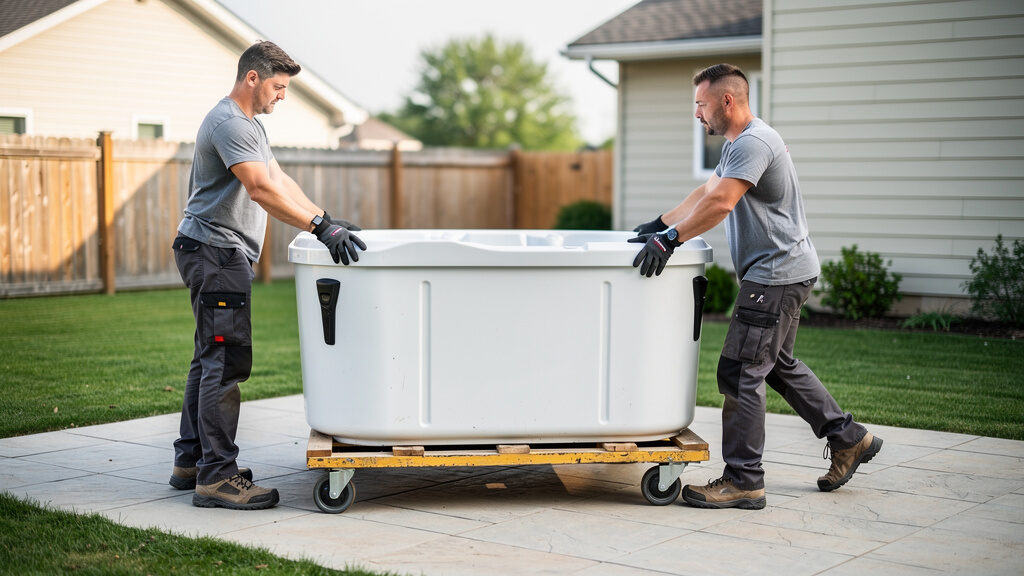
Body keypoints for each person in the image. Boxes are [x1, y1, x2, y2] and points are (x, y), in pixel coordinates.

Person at [629, 63, 882, 510]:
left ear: (727, 101)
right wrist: (661, 223)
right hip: (785, 271)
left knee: (741, 373)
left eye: (701, 105)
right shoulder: (739, 144)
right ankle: (849, 438)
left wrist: (670, 241)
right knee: (776, 364)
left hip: (774, 274)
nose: (697, 114)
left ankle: (744, 480)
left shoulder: (753, 143)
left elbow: (722, 204)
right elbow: (707, 193)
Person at [169, 41, 365, 510]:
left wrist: (326, 218)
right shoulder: (230, 123)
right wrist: (319, 228)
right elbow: (259, 191)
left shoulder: (249, 126)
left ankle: (191, 463)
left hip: (213, 252)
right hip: (216, 254)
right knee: (224, 362)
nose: (282, 96)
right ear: (252, 78)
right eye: (278, 87)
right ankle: (217, 477)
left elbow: (279, 180)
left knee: (208, 358)